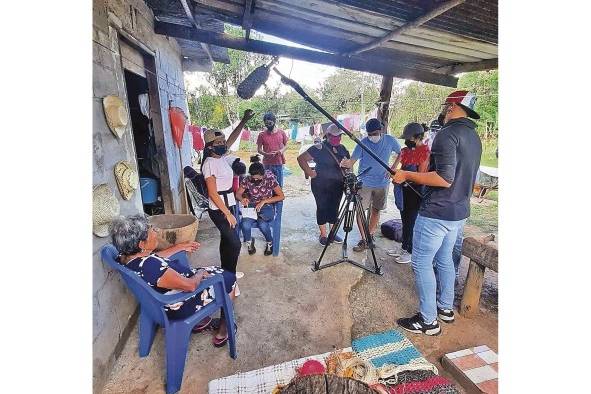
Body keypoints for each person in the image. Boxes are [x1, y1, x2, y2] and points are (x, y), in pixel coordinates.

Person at [392, 90, 482, 336]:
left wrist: (407, 175)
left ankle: (428, 321)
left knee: (421, 262)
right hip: (459, 212)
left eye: (446, 107)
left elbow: (444, 178)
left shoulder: (447, 134)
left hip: (437, 213)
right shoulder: (474, 136)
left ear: (452, 107)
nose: (443, 111)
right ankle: (445, 308)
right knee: (444, 259)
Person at [110, 214, 237, 347]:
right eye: (151, 230)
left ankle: (201, 322)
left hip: (163, 296)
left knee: (215, 271)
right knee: (228, 278)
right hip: (179, 304)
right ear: (142, 244)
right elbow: (190, 286)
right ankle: (226, 325)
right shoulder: (151, 266)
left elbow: (152, 258)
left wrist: (179, 247)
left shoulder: (127, 258)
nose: (156, 231)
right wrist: (199, 274)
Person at [202, 109, 255, 275]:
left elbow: (233, 136)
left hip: (229, 203)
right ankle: (229, 275)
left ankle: (226, 271)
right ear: (210, 147)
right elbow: (212, 193)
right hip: (219, 209)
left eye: (223, 142)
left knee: (226, 240)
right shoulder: (209, 163)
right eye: (218, 143)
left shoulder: (222, 157)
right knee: (235, 243)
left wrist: (244, 120)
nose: (223, 144)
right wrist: (228, 214)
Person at [340, 118, 401, 252]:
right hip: (365, 183)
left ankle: (370, 235)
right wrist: (345, 163)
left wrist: (393, 168)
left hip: (382, 183)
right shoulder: (362, 143)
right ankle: (364, 239)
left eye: (374, 133)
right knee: (360, 212)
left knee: (376, 210)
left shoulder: (390, 140)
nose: (372, 136)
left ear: (381, 131)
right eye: (370, 134)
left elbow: (402, 153)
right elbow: (352, 162)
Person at [297, 124, 350, 246]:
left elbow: (348, 165)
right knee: (322, 207)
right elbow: (301, 159)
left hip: (337, 183)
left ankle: (332, 232)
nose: (337, 138)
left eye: (339, 136)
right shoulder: (319, 147)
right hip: (320, 184)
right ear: (328, 135)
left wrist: (348, 174)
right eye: (334, 136)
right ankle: (323, 234)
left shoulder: (342, 148)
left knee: (334, 207)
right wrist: (310, 173)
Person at [389, 122, 430, 264]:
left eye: (409, 138)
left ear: (417, 137)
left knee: (411, 222)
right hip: (404, 191)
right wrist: (393, 173)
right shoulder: (405, 151)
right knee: (404, 220)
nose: (407, 141)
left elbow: (422, 176)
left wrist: (405, 177)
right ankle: (404, 247)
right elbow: (395, 168)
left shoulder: (425, 152)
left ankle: (410, 251)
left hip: (415, 192)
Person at [236, 155, 285, 256]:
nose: (256, 181)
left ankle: (270, 242)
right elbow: (238, 194)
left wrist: (264, 201)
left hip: (266, 206)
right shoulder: (247, 179)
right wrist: (242, 199)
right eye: (254, 179)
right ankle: (249, 243)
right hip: (251, 206)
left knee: (262, 224)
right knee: (245, 225)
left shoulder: (269, 178)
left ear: (263, 175)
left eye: (259, 179)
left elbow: (281, 196)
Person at [257, 112, 288, 187]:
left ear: (274, 121)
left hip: (278, 162)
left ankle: (279, 198)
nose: (268, 125)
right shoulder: (261, 135)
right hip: (267, 164)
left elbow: (287, 145)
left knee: (279, 185)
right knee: (267, 185)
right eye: (266, 124)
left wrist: (281, 151)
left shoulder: (281, 132)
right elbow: (259, 149)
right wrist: (266, 154)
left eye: (269, 123)